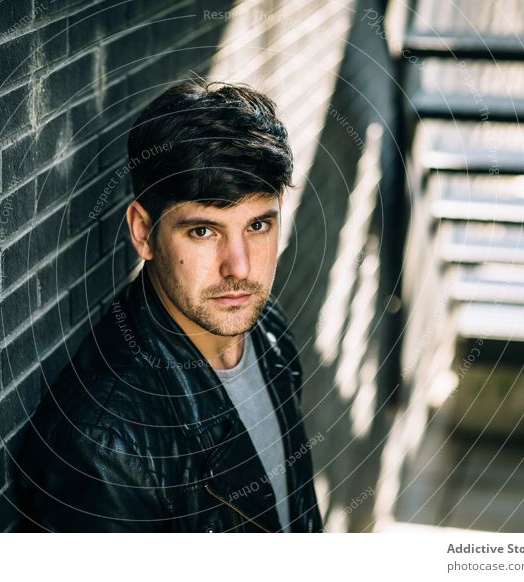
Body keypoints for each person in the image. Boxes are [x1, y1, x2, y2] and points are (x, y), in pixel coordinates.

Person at [16, 80, 323, 532]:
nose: (238, 267)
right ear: (143, 232)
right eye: (203, 231)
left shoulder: (264, 325)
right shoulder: (104, 447)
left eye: (258, 225)